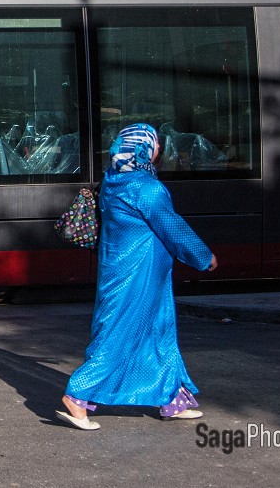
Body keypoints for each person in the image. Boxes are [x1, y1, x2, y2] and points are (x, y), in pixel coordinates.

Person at [57, 123, 218, 431]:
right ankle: (77, 394)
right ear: (144, 149)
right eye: (155, 144)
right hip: (137, 276)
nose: (159, 150)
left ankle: (172, 398)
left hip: (127, 271)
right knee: (121, 334)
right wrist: (204, 256)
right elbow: (172, 227)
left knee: (157, 331)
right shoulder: (146, 188)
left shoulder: (113, 180)